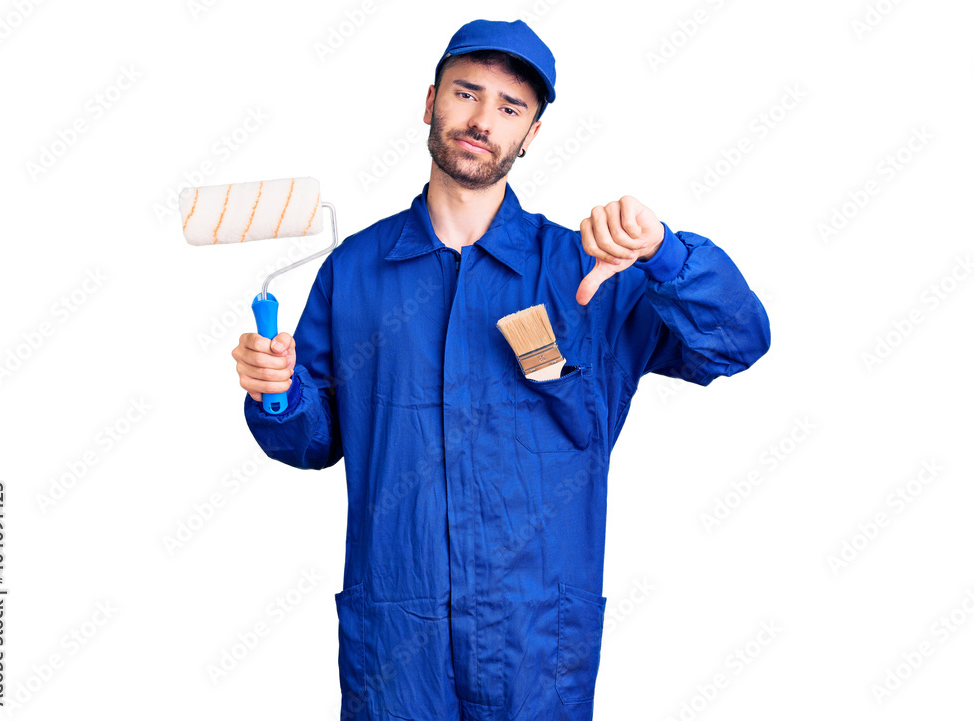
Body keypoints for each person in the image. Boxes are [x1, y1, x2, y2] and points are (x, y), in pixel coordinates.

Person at [231, 17, 770, 721]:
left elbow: (737, 340)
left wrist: (663, 252)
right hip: (400, 645)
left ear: (532, 134)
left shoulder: (589, 271)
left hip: (537, 647)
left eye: (510, 108)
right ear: (430, 102)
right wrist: (278, 393)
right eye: (467, 93)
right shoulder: (355, 271)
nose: (483, 120)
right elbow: (314, 439)